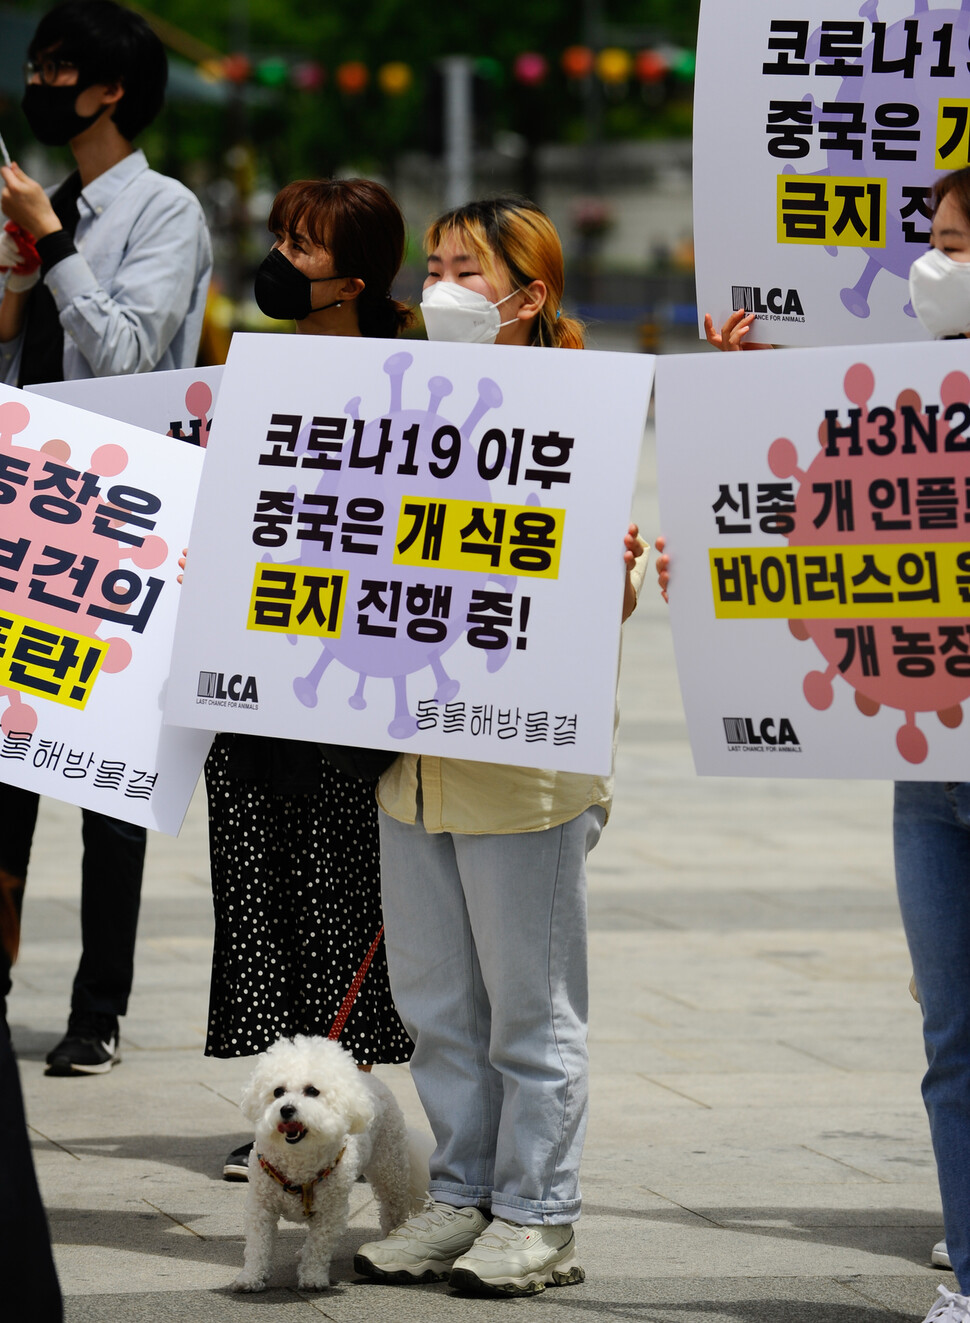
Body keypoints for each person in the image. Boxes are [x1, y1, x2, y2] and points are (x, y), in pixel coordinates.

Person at [657, 167, 970, 1323]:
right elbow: (810, 510)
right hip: (932, 773)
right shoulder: (900, 392)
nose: (928, 264)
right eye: (929, 240)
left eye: (949, 243)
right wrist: (744, 410)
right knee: (950, 1039)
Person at [353, 196, 645, 1296]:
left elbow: (593, 604)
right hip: (407, 762)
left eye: (466, 270)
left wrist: (604, 568)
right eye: (433, 264)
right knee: (437, 1012)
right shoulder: (392, 403)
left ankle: (537, 1216)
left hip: (522, 772)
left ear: (529, 296)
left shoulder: (581, 414)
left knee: (531, 1011)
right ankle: (461, 1198)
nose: (438, 286)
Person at [0, 0, 211, 1075]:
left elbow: (129, 349)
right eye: (36, 67)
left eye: (56, 68)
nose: (39, 84)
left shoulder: (162, 210)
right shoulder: (51, 203)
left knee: (108, 777)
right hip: (22, 503)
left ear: (110, 88)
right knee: (4, 763)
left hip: (119, 510)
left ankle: (97, 1011)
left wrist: (49, 238)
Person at [207, 178, 413, 1182]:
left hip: (357, 675)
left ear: (355, 282)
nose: (282, 256)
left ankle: (342, 1108)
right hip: (256, 669)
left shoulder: (413, 376)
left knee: (341, 888)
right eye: (283, 236)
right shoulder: (256, 369)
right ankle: (283, 1113)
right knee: (260, 887)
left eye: (306, 246)